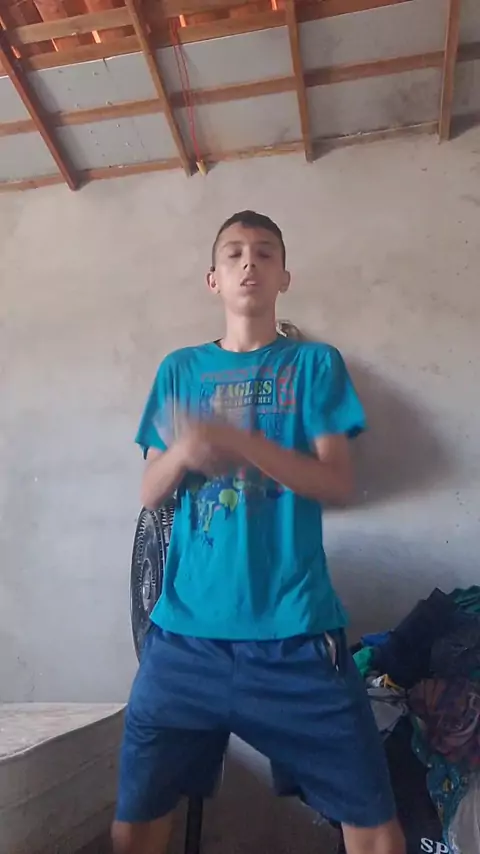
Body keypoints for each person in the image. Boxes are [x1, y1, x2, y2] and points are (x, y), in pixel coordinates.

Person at [112, 211, 406, 854]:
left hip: (295, 636)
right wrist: (186, 450)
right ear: (213, 279)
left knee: (374, 825)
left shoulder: (314, 364)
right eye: (235, 253)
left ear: (284, 277)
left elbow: (337, 483)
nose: (250, 262)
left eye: (265, 253)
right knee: (135, 825)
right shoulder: (180, 370)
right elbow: (149, 492)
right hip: (183, 641)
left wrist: (239, 441)